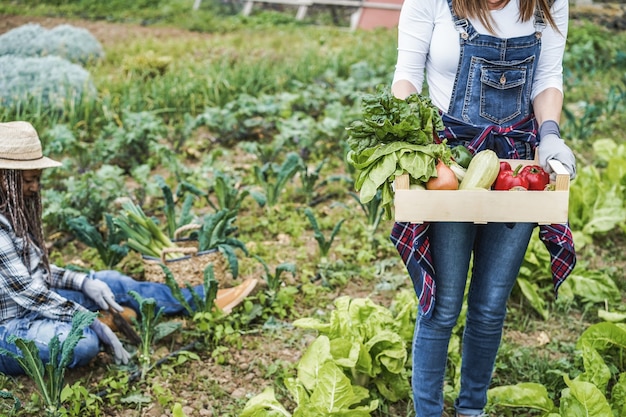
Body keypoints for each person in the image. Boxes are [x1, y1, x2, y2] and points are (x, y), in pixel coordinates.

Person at [389, 1, 577, 416]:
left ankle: (472, 409)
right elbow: (406, 76)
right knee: (442, 306)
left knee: (491, 306)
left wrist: (549, 134)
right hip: (448, 161)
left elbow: (548, 75)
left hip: (517, 164)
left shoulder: (548, 2)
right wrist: (411, 139)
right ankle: (428, 412)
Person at [0, 121, 257, 376]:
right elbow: (26, 291)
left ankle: (205, 298)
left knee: (111, 282)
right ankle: (102, 321)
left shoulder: (12, 210)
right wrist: (84, 320)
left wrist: (81, 282)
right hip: (10, 327)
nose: (35, 187)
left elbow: (35, 272)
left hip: (35, 304)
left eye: (36, 179)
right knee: (82, 343)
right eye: (29, 180)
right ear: (4, 177)